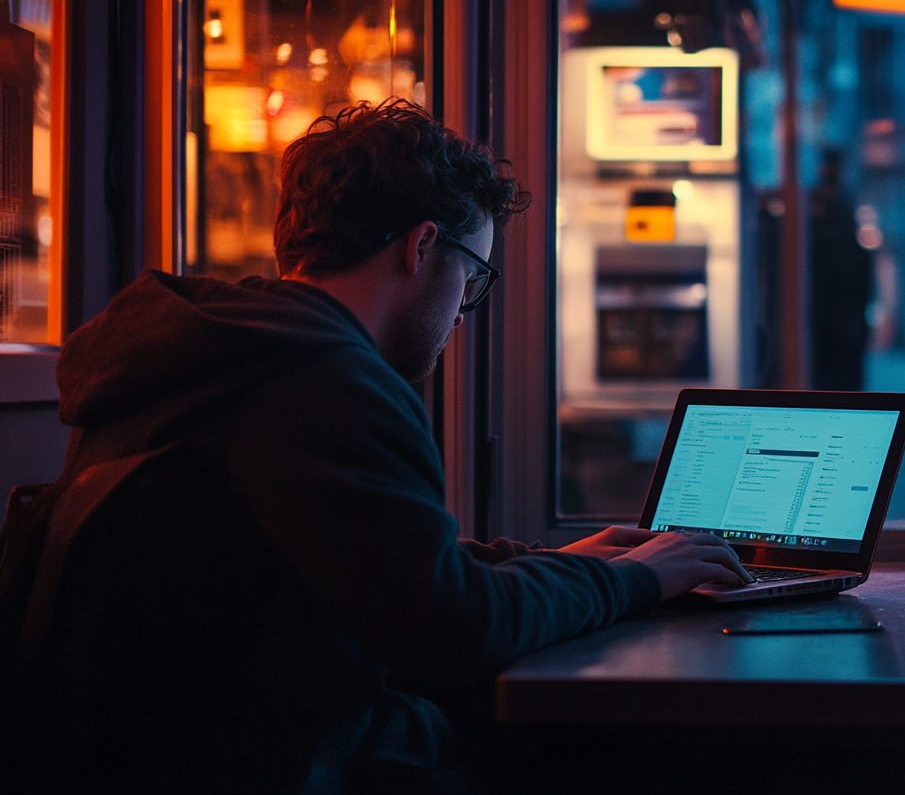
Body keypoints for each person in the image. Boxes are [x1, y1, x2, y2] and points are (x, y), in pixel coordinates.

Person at [2, 99, 751, 792]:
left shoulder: (212, 357)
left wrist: (558, 564)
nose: (464, 313)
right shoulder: (325, 384)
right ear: (423, 247)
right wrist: (637, 582)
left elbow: (378, 564)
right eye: (475, 277)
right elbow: (457, 628)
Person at [809, 150, 874, 391]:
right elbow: (866, 288)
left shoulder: (814, 235)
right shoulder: (851, 243)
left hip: (824, 325)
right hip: (845, 328)